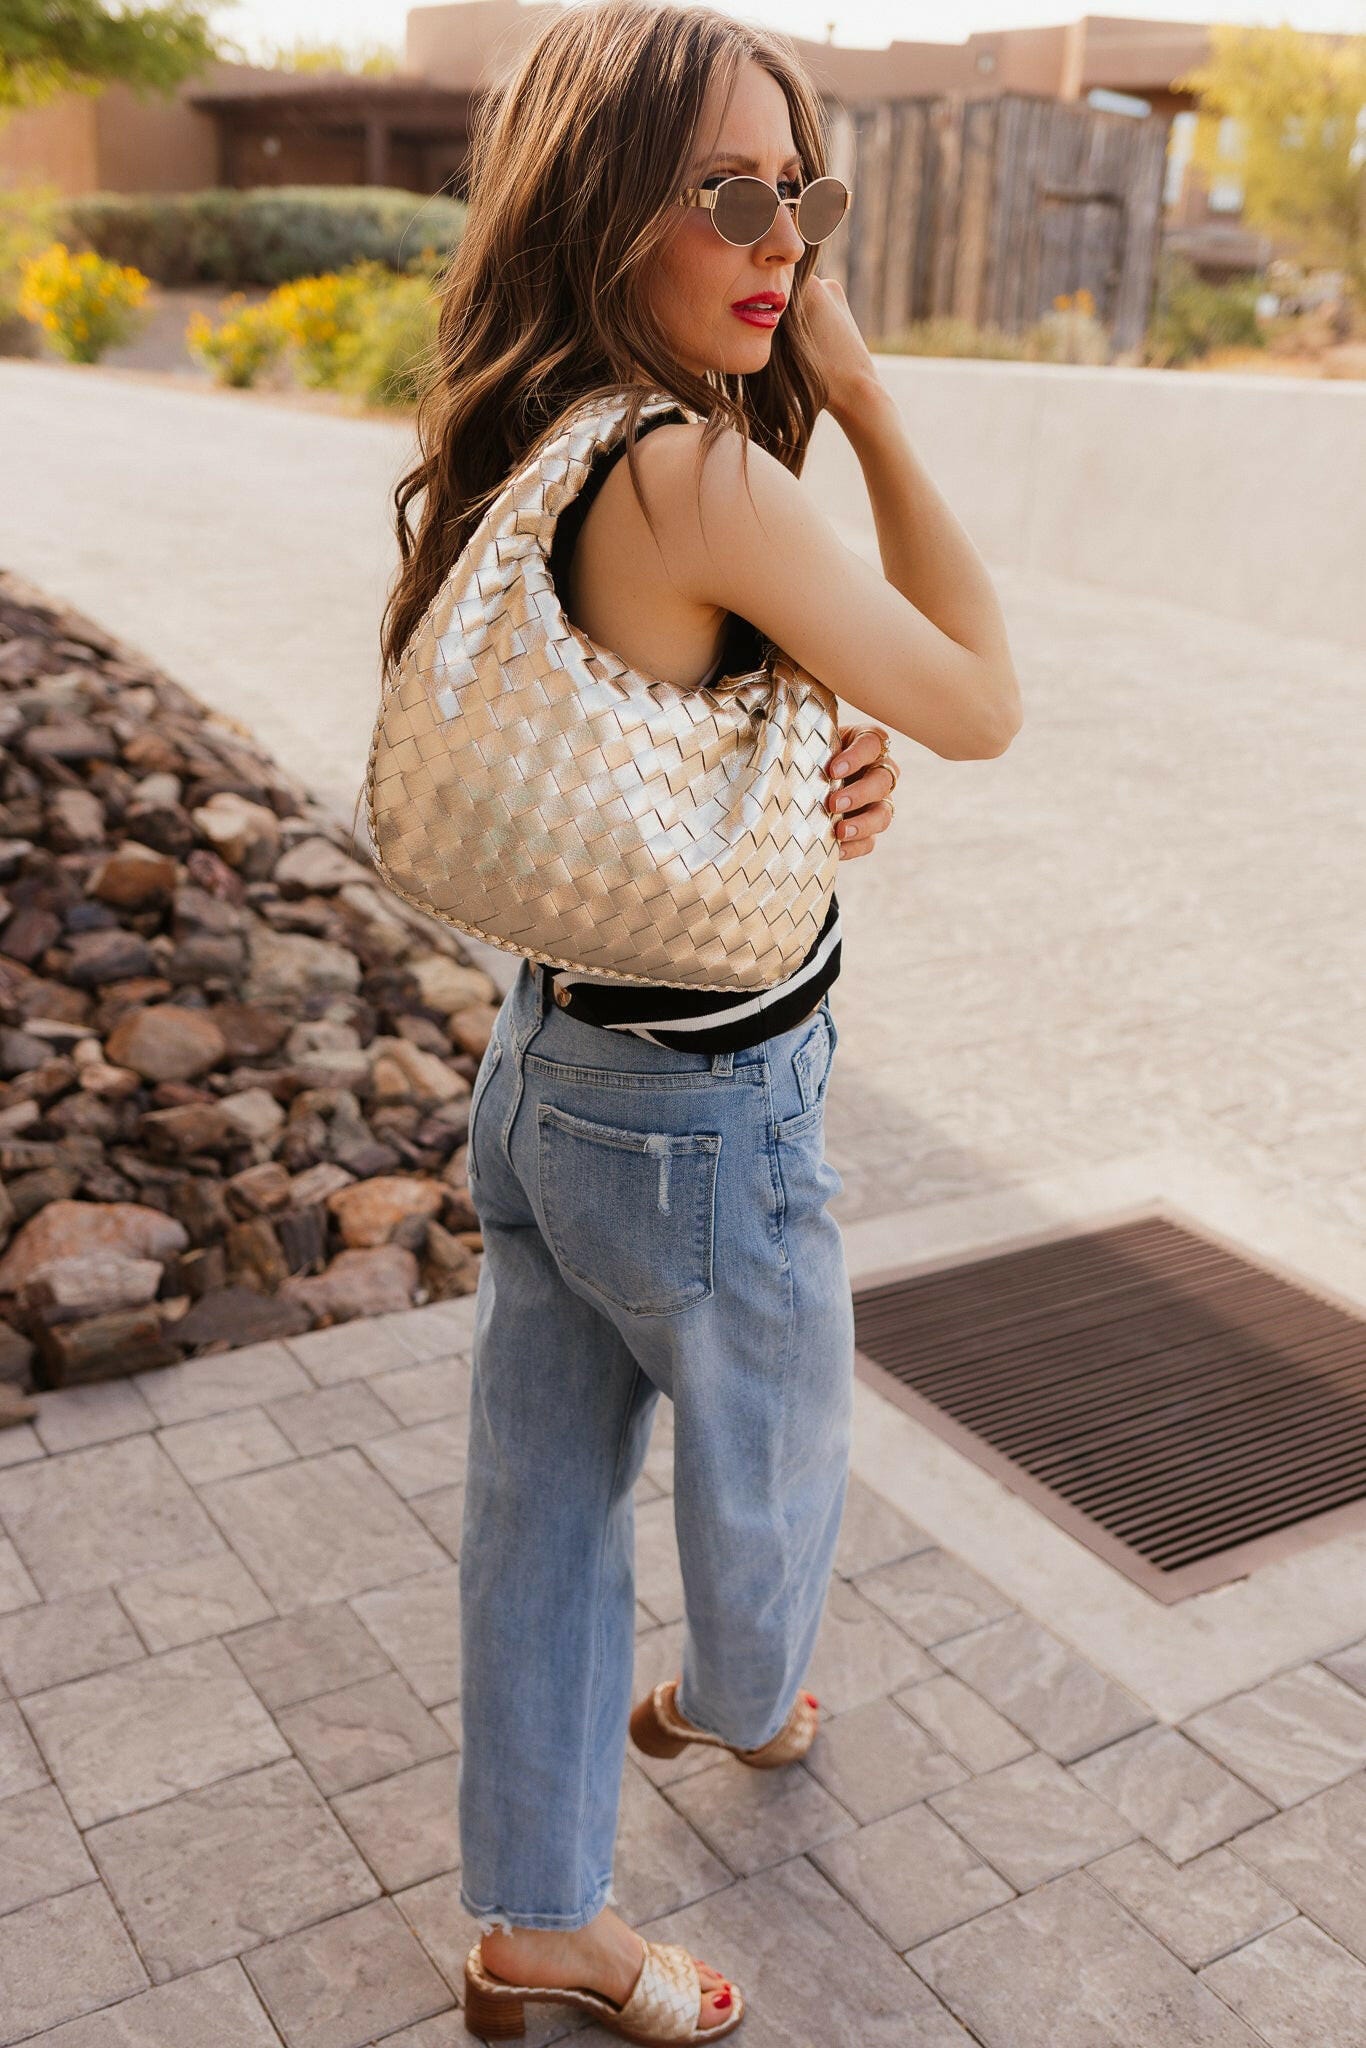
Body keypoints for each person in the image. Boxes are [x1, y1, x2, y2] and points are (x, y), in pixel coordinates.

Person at [378, 4, 1022, 2036]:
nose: (777, 240)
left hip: (547, 1066)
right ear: (605, 200)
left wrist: (822, 768)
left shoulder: (546, 434)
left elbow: (650, 727)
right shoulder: (696, 468)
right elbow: (982, 692)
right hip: (704, 1108)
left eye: (799, 197)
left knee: (536, 1503)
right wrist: (866, 395)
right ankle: (738, 1703)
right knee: (773, 1472)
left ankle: (538, 1926)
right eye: (726, 191)